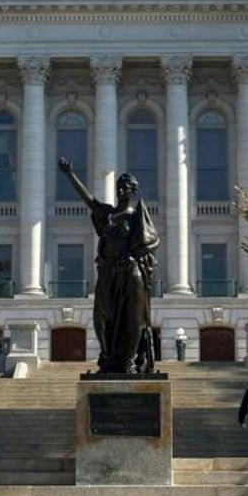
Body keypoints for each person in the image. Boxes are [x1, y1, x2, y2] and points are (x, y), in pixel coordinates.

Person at [58, 157, 159, 374]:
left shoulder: (137, 218)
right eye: (119, 186)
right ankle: (107, 356)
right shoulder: (107, 213)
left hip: (131, 271)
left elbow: (149, 243)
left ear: (134, 191)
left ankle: (129, 361)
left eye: (126, 187)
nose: (121, 189)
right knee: (102, 315)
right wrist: (69, 175)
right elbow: (88, 199)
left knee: (133, 319)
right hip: (108, 271)